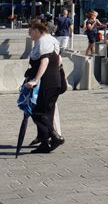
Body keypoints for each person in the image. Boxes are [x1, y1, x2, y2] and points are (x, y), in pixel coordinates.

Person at [23, 20, 67, 153]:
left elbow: (45, 60)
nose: (29, 34)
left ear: (37, 30)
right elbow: (59, 60)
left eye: (30, 31)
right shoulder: (51, 40)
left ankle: (54, 136)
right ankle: (44, 142)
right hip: (54, 81)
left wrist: (36, 80)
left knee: (37, 112)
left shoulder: (43, 42)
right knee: (47, 111)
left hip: (47, 82)